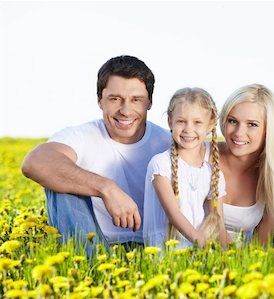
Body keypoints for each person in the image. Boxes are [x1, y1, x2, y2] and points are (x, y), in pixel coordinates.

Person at [21, 55, 172, 253]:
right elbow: (35, 163)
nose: (125, 111)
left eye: (136, 100)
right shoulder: (83, 135)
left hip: (156, 248)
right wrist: (106, 188)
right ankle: (90, 273)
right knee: (59, 179)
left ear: (149, 102)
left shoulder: (168, 143)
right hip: (98, 245)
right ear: (100, 101)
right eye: (115, 99)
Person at [143, 87, 227, 249]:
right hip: (164, 252)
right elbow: (174, 214)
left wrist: (233, 255)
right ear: (170, 122)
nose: (188, 129)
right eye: (181, 121)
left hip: (197, 252)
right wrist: (204, 245)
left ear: (210, 124)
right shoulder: (160, 164)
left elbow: (217, 222)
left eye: (197, 122)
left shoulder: (213, 173)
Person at [219, 83, 274, 247]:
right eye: (233, 121)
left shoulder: (271, 175)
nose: (239, 133)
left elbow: (259, 248)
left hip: (235, 265)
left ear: (269, 130)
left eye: (252, 124)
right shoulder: (201, 157)